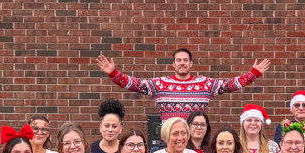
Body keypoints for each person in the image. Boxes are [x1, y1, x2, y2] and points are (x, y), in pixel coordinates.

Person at [96, 48, 271, 121]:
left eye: (185, 60)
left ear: (191, 64)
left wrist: (253, 74)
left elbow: (230, 85)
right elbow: (134, 84)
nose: (182, 63)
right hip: (168, 142)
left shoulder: (205, 84)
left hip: (197, 142)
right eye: (178, 60)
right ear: (173, 64)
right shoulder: (160, 84)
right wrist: (113, 73)